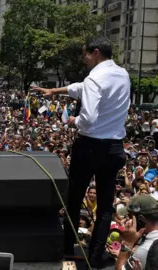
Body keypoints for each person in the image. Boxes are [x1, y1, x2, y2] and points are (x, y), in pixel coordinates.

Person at [32, 36, 130, 267]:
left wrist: (75, 120)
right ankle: (95, 258)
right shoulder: (122, 74)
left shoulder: (95, 77)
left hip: (90, 147)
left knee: (74, 202)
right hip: (114, 147)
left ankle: (67, 252)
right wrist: (54, 90)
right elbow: (81, 88)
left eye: (85, 54)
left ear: (95, 52)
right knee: (105, 207)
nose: (84, 59)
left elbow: (89, 118)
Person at [115, 195, 158, 269]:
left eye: (129, 217)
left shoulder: (144, 251)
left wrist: (126, 245)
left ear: (141, 219)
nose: (126, 220)